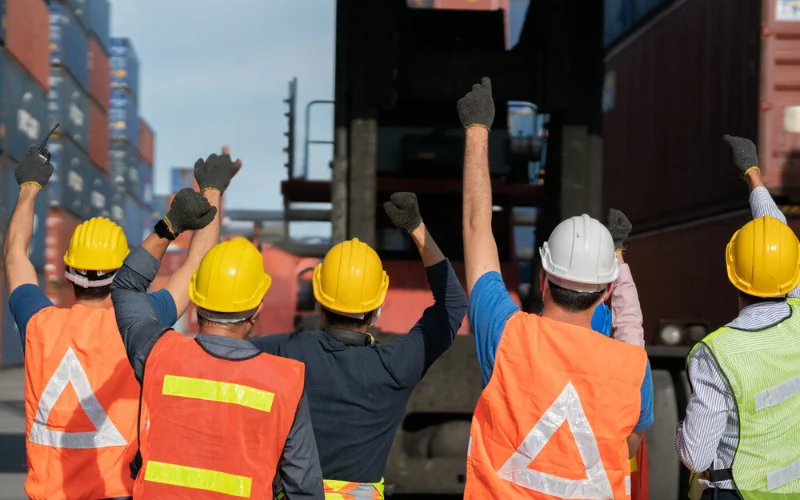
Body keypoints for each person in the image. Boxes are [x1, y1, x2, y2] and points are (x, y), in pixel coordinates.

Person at [457, 77, 653, 498]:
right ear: (605, 293)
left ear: (543, 279)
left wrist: (477, 129)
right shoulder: (632, 368)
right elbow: (630, 444)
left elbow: (477, 228)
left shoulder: (508, 337)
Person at [3, 145, 235, 500]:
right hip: (118, 494)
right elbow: (195, 268)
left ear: (67, 275)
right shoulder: (142, 324)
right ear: (123, 275)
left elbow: (15, 253)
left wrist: (29, 186)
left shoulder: (38, 324)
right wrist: (213, 191)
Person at [250, 191, 468, 498]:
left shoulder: (283, 352)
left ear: (318, 301)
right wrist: (416, 229)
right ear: (377, 308)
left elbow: (224, 344)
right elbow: (453, 304)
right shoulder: (395, 367)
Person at [110, 188, 324, 499]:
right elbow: (304, 490)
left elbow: (127, 286)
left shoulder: (158, 354)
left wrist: (169, 226)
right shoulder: (286, 382)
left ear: (195, 301)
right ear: (257, 310)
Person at [676, 135, 800, 500]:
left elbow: (695, 455)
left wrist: (680, 433)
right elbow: (777, 239)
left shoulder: (716, 353)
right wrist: (753, 175)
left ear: (732, 274)